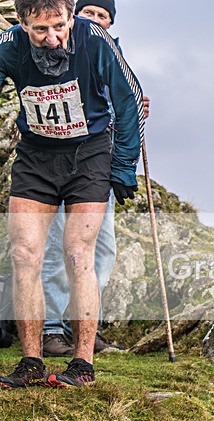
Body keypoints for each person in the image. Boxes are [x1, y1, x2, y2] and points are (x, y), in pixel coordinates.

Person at [0, 0, 144, 389]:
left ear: (70, 15)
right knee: (23, 253)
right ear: (23, 22)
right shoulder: (7, 44)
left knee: (78, 252)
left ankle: (83, 363)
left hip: (89, 154)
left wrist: (123, 166)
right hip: (37, 156)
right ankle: (30, 360)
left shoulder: (93, 37)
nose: (53, 38)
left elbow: (129, 100)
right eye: (40, 31)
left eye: (60, 26)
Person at [40, 0, 148, 357]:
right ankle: (52, 329)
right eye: (90, 12)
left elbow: (124, 107)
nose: (97, 20)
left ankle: (84, 326)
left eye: (104, 15)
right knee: (59, 244)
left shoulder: (114, 57)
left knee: (102, 248)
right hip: (61, 162)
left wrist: (135, 112)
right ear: (74, 17)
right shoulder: (67, 50)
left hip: (103, 167)